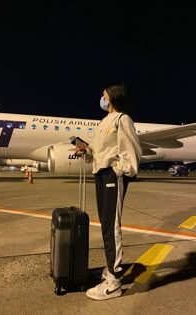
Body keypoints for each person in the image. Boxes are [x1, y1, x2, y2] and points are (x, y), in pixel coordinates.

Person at [76, 82, 142, 301]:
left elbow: (131, 151)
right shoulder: (104, 121)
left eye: (104, 95)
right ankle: (111, 268)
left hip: (112, 176)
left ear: (112, 97)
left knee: (111, 226)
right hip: (100, 175)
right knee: (106, 224)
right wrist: (85, 151)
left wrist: (119, 171)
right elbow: (99, 151)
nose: (101, 99)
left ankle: (114, 283)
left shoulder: (123, 119)